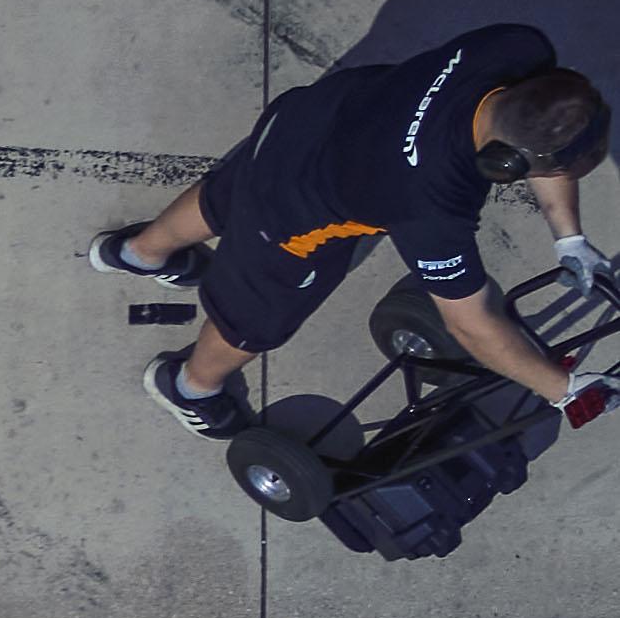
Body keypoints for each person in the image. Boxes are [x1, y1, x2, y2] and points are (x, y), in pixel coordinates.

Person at [90, 23, 612, 437]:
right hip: (296, 212)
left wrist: (568, 236)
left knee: (235, 190)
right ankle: (190, 387)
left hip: (307, 120)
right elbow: (471, 325)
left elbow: (538, 134)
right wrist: (564, 388)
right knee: (255, 316)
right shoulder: (428, 204)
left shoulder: (514, 47)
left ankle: (137, 253)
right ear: (504, 165)